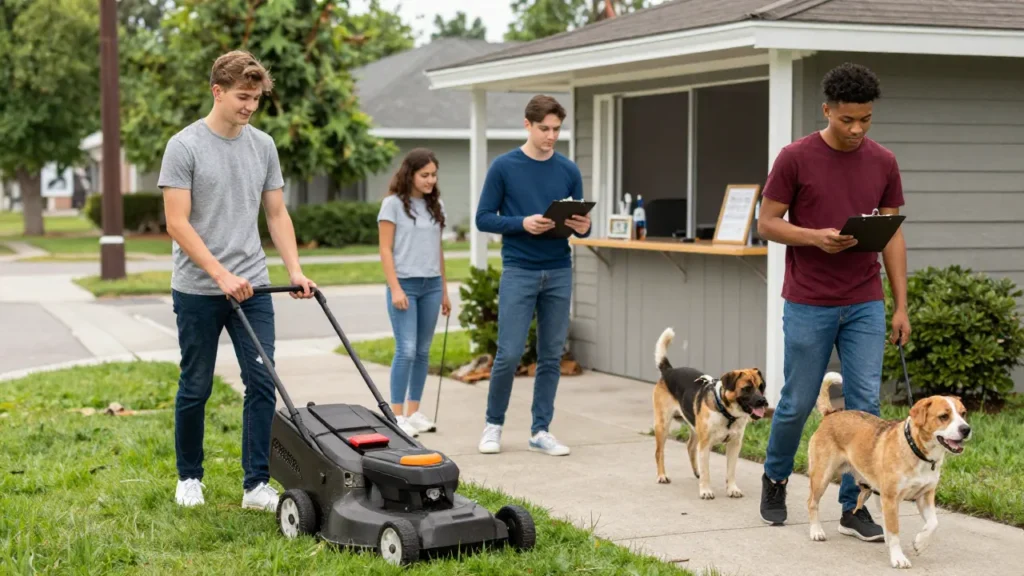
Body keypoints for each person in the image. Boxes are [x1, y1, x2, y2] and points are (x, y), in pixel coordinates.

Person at [756, 62, 910, 541]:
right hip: (809, 300)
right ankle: (776, 478)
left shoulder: (883, 162)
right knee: (797, 402)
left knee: (864, 406)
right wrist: (812, 238)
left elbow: (892, 234)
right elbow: (766, 222)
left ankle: (853, 506)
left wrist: (901, 304)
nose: (857, 129)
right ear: (826, 110)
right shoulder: (794, 158)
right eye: (847, 120)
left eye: (865, 119)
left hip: (865, 299)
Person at [159, 50, 317, 511]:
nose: (250, 106)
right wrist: (220, 274)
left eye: (256, 99)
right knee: (196, 386)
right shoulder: (184, 146)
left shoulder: (263, 145)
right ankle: (189, 477)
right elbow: (177, 223)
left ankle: (255, 485)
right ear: (217, 91)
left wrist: (294, 270)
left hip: (253, 286)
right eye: (242, 97)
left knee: (263, 380)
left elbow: (276, 212)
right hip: (198, 289)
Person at [475, 94, 591, 457]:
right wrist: (522, 223)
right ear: (528, 125)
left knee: (551, 355)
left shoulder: (569, 170)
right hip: (519, 271)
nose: (551, 136)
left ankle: (541, 430)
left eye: (557, 129)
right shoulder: (503, 167)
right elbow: (483, 218)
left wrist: (584, 226)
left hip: (559, 270)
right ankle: (493, 425)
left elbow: (579, 226)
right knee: (508, 354)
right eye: (545, 129)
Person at [377, 148, 452, 438]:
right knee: (406, 349)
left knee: (422, 351)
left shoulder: (437, 206)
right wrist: (395, 287)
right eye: (425, 175)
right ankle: (396, 416)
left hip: (431, 284)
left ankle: (414, 412)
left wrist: (444, 290)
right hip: (405, 285)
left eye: (434, 175)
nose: (431, 180)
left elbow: (438, 250)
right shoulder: (392, 205)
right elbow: (384, 249)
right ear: (410, 174)